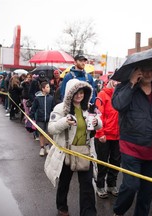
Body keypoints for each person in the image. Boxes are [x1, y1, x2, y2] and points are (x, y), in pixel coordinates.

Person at [111, 64, 152, 216]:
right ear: (137, 71)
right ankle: (119, 211)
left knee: (146, 192)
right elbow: (118, 105)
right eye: (144, 69)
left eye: (151, 69)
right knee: (131, 186)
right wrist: (131, 83)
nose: (148, 73)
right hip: (131, 147)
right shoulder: (125, 87)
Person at [48, 79, 102, 216]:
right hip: (67, 152)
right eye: (76, 93)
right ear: (69, 94)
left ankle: (88, 213)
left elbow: (100, 122)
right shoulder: (60, 108)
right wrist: (65, 122)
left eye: (82, 92)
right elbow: (51, 128)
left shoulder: (88, 107)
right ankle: (62, 207)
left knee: (87, 186)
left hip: (85, 152)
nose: (79, 95)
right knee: (64, 183)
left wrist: (97, 122)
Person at [94, 77, 120, 199]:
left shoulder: (122, 95)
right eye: (115, 80)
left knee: (115, 162)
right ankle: (100, 185)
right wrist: (100, 133)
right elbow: (98, 115)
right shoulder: (102, 94)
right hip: (103, 136)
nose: (117, 82)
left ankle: (111, 184)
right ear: (110, 80)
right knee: (102, 162)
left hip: (118, 136)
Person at [30, 81, 54, 156]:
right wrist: (31, 115)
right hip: (40, 118)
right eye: (47, 87)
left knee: (48, 133)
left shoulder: (51, 98)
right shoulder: (37, 98)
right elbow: (34, 108)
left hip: (49, 118)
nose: (49, 88)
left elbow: (53, 108)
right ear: (43, 89)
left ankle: (47, 146)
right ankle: (42, 147)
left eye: (49, 87)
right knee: (41, 133)